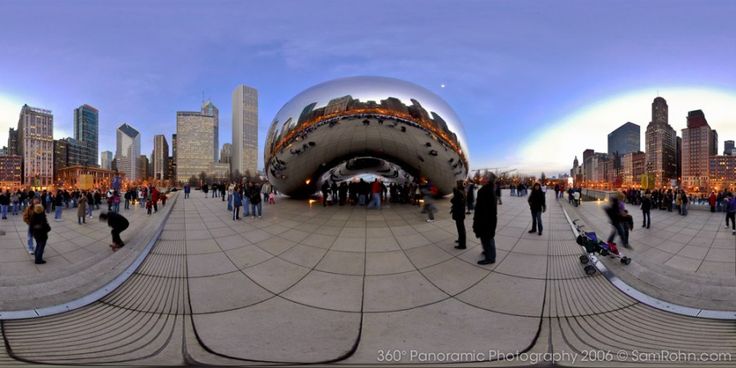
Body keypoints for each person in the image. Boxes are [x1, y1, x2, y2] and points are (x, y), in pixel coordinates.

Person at [473, 173, 497, 265]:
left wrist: (482, 220)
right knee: (484, 237)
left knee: (487, 238)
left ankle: (491, 258)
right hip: (483, 218)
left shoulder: (487, 191)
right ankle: (487, 251)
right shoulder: (486, 190)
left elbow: (488, 208)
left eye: (484, 178)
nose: (481, 179)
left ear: (488, 180)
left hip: (486, 219)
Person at [451, 181, 466, 249]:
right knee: (460, 228)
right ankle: (460, 240)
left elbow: (453, 200)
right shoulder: (463, 191)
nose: (456, 185)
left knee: (460, 228)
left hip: (459, 213)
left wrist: (455, 192)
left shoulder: (459, 192)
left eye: (457, 184)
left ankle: (462, 244)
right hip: (461, 212)